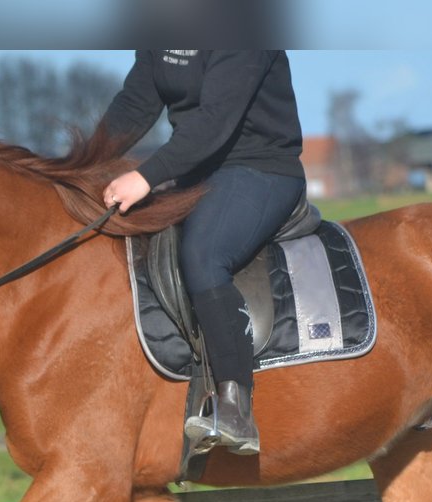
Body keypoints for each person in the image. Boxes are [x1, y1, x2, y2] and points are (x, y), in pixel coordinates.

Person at [100, 50, 307, 455]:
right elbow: (135, 105)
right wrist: (78, 165)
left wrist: (145, 177)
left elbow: (216, 120)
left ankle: (236, 408)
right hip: (196, 171)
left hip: (260, 168)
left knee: (203, 255)